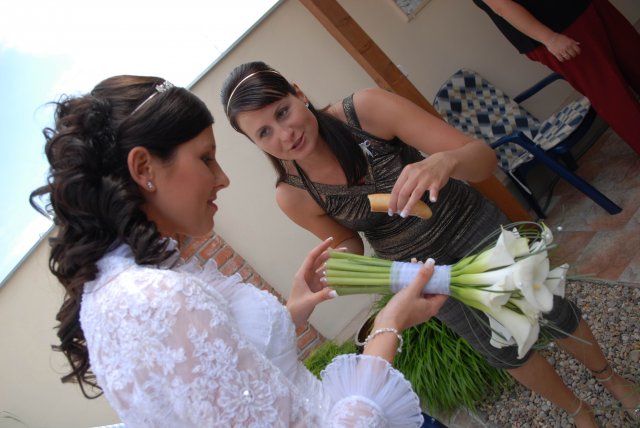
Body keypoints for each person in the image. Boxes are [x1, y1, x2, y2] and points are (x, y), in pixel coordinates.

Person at [221, 61, 640, 426]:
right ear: (255, 143)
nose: (285, 134)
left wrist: (447, 160)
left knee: (546, 304)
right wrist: (338, 266)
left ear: (298, 93)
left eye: (283, 111)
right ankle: (578, 412)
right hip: (423, 274)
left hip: (472, 224)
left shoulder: (365, 110)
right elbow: (350, 242)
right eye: (264, 132)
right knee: (501, 348)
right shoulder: (293, 195)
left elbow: (483, 159)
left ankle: (611, 379)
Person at [30, 75, 452, 427]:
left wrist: (290, 312)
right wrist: (388, 324)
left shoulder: (122, 291)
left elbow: (225, 378)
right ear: (144, 168)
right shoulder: (159, 299)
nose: (223, 178)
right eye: (205, 158)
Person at [473, 0, 640, 152]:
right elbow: (501, 5)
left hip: (584, 7)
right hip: (559, 29)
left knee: (634, 57)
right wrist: (550, 38)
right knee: (612, 95)